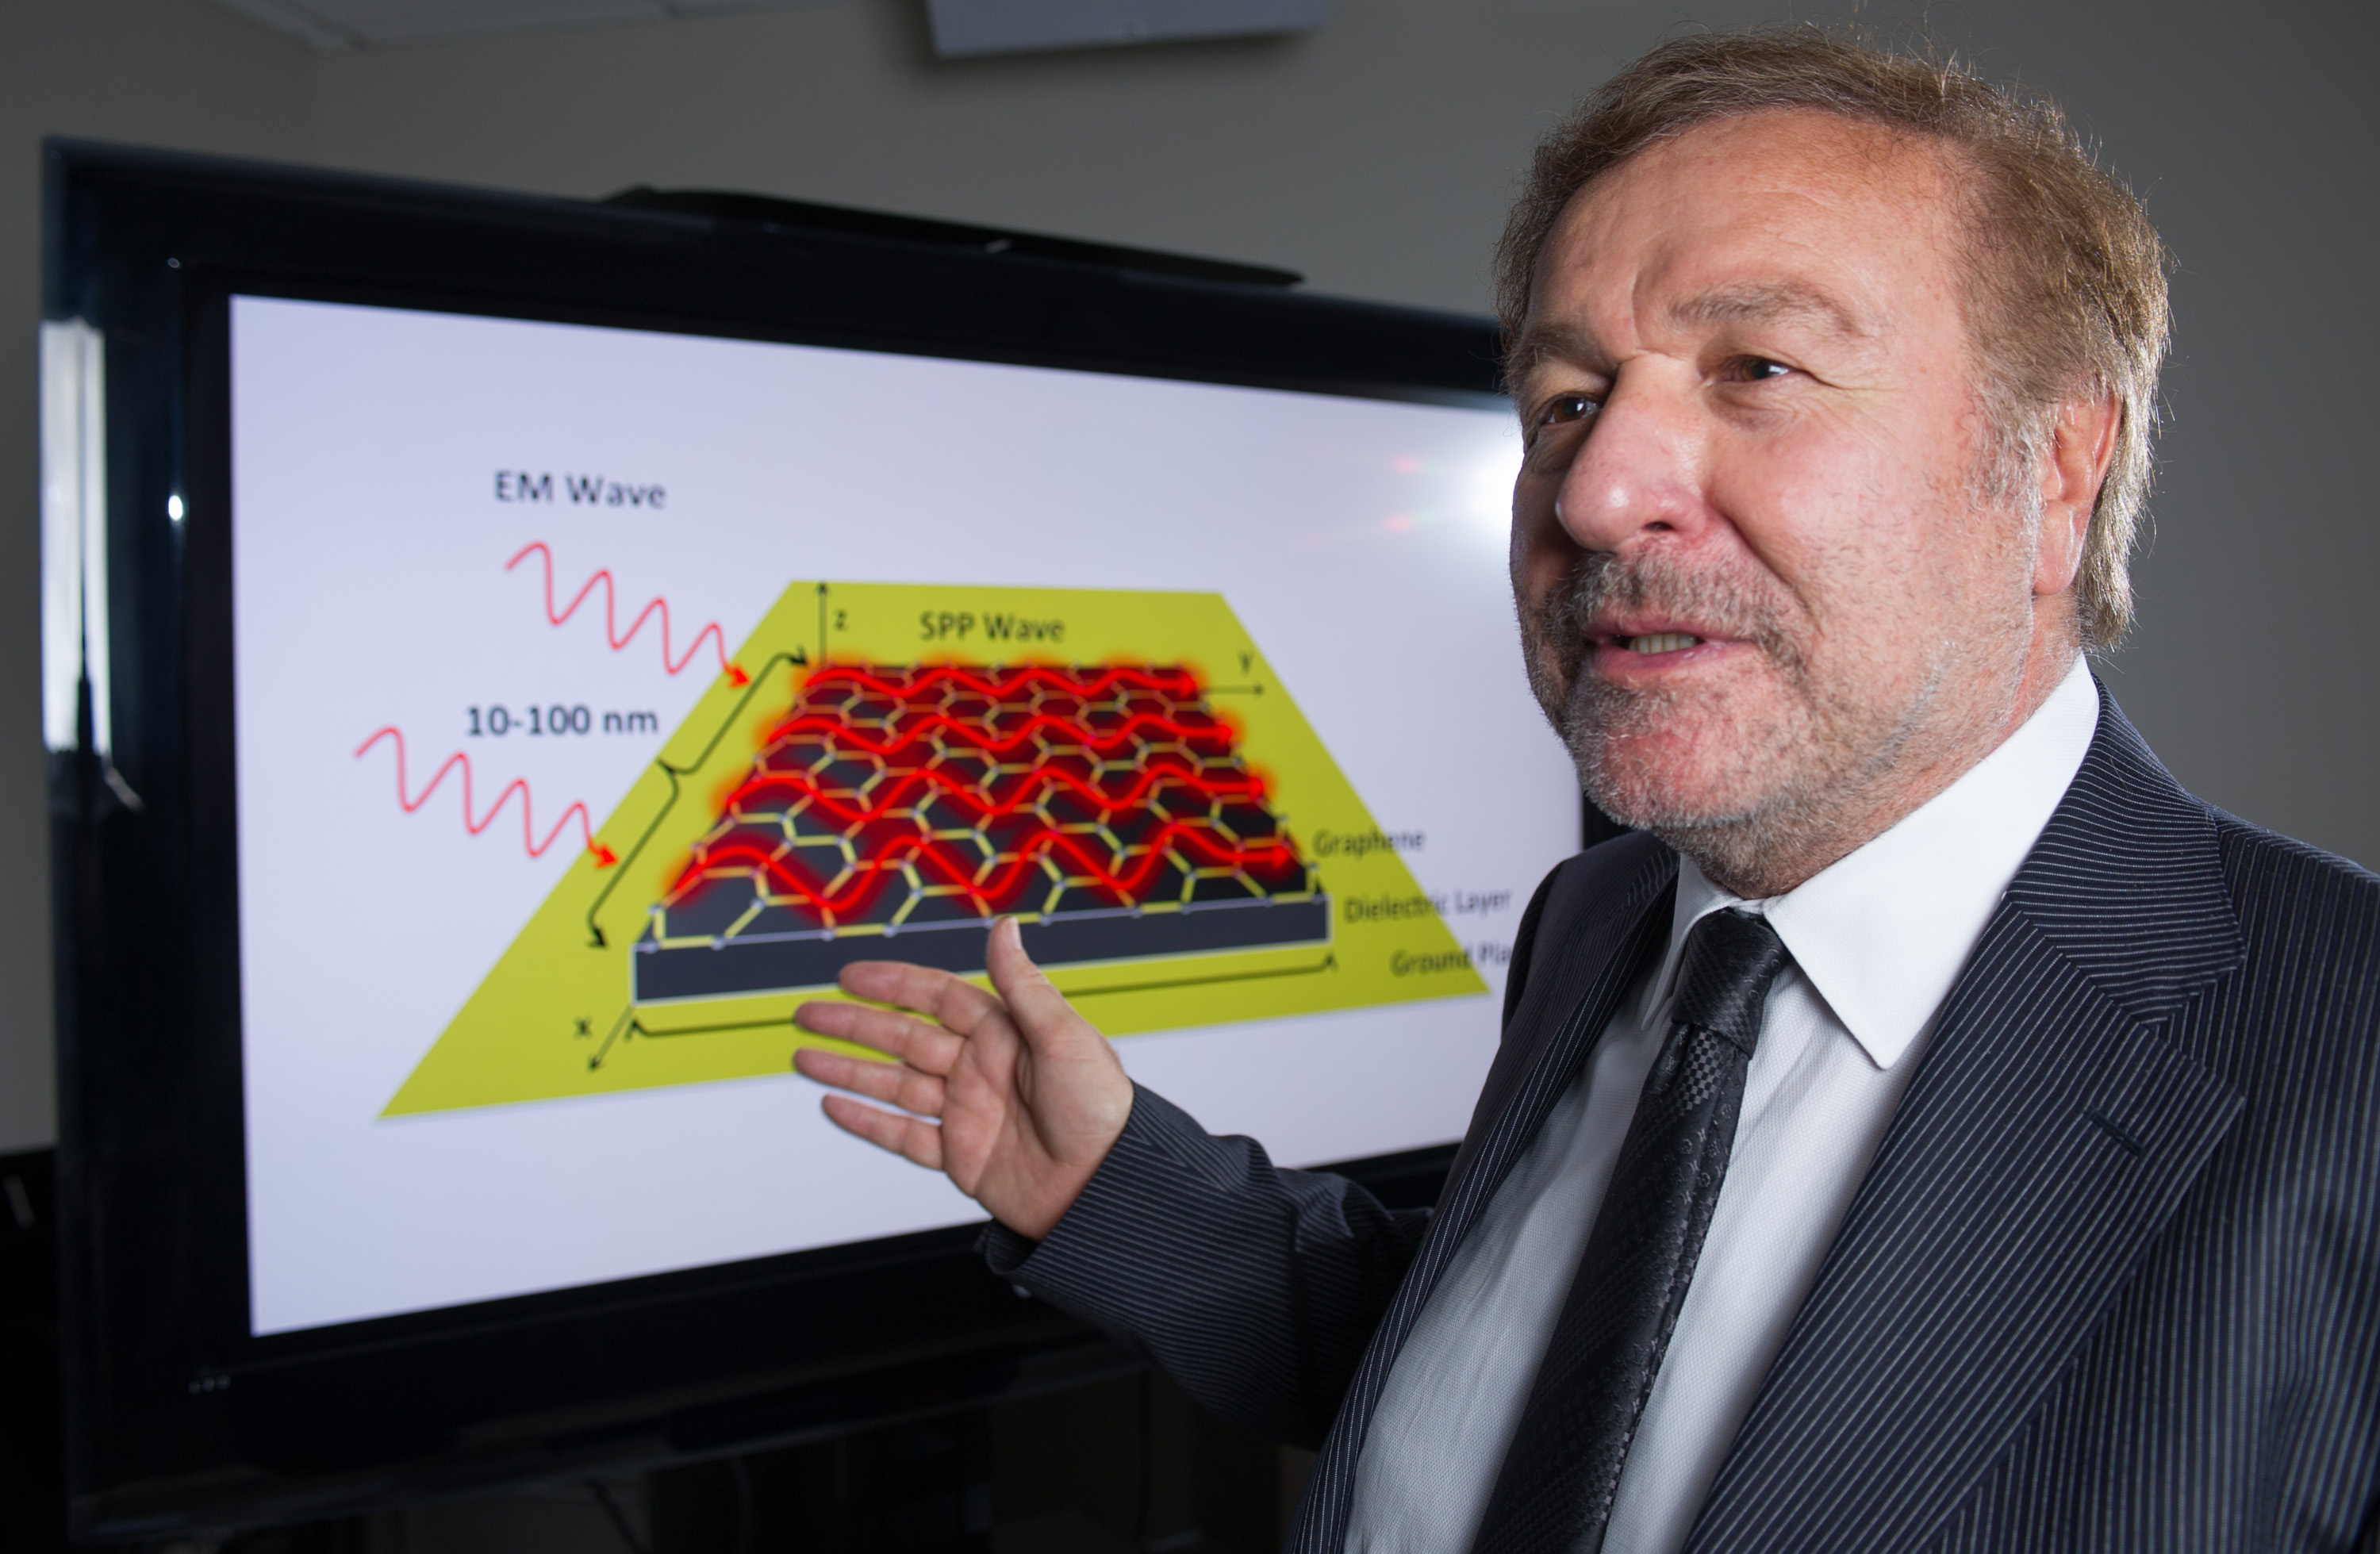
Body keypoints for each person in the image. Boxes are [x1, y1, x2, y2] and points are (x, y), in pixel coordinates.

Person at [791, 26, 2379, 1553]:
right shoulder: (1605, 911)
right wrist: (1116, 1184)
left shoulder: (2350, 1063)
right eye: (1565, 402)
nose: (1598, 488)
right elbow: (1540, 1390)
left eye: (1757, 365)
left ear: (2054, 470)